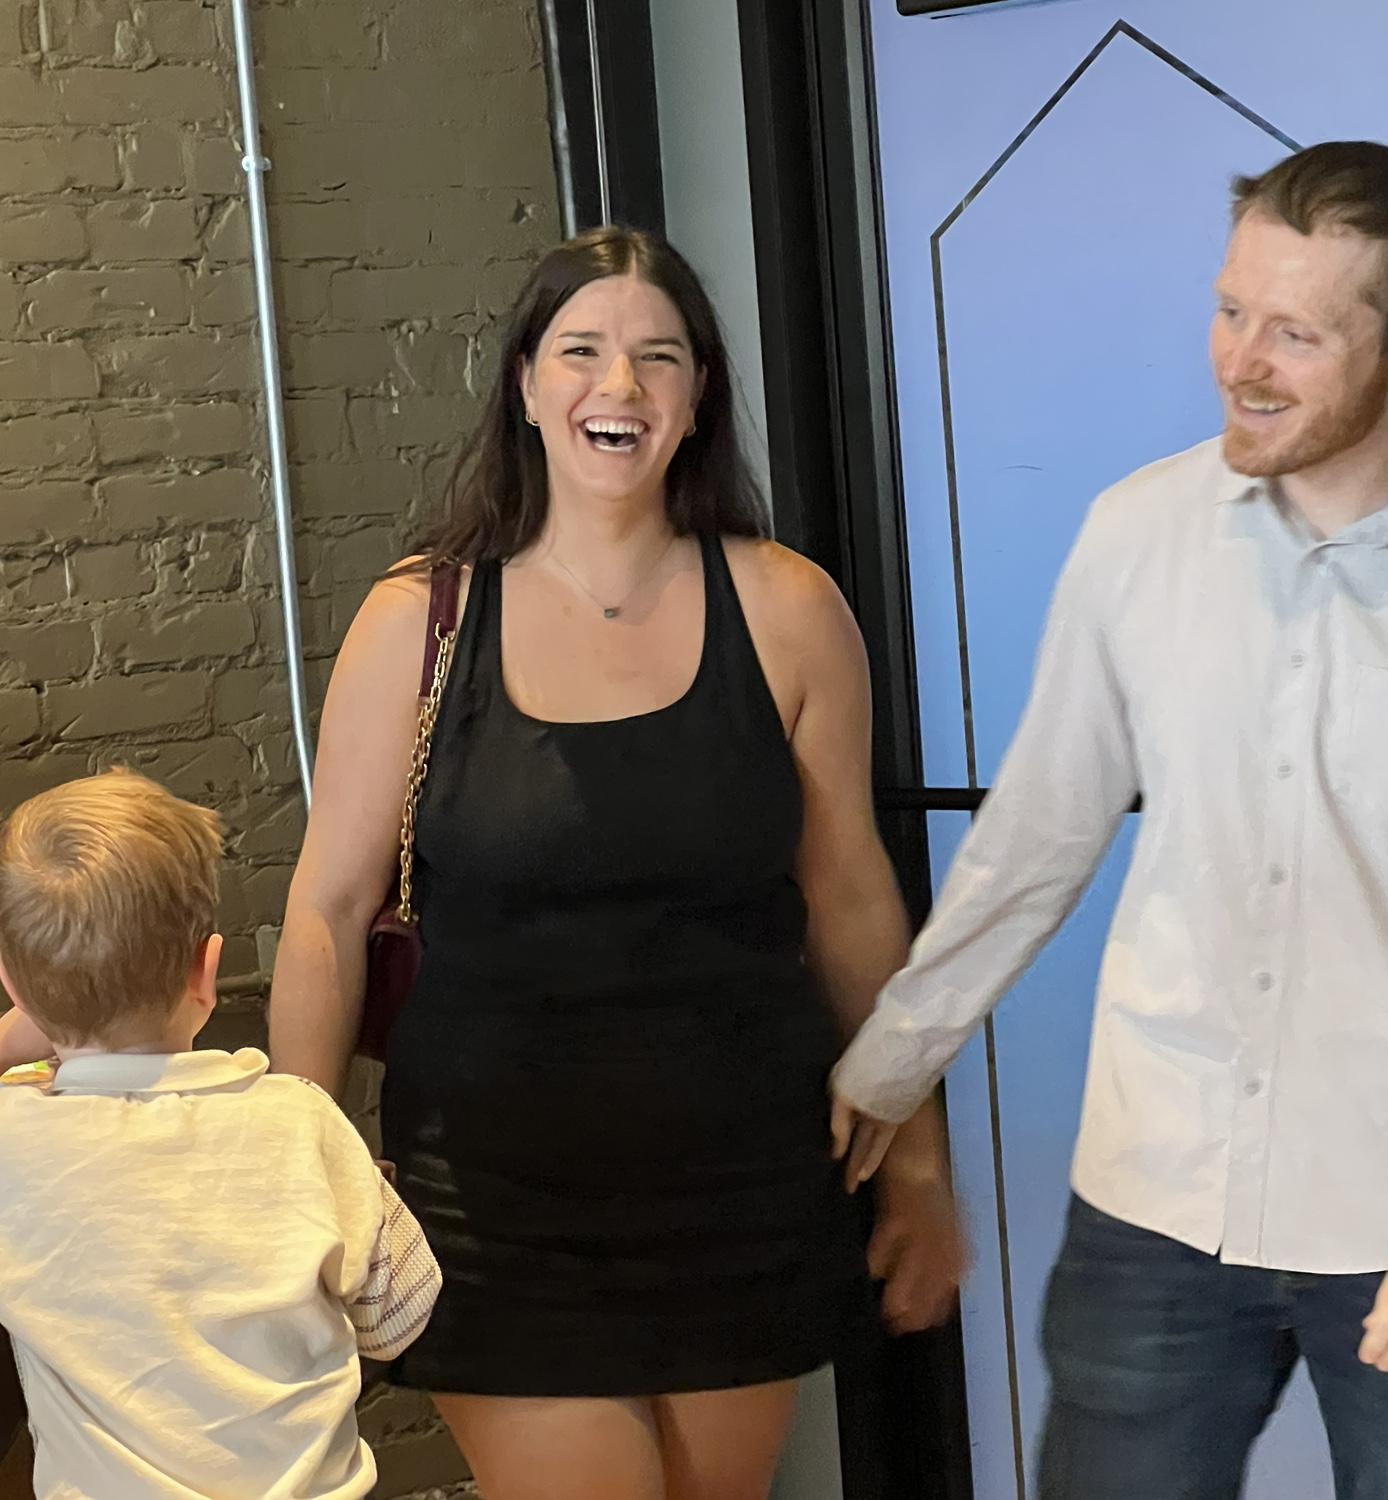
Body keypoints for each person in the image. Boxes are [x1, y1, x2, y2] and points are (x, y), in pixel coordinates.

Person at [831, 141, 1388, 1498]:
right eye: (1231, 309)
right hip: (1158, 1197)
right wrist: (890, 1062)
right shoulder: (1138, 533)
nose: (1242, 362)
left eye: (1298, 333)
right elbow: (1037, 837)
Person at [268, 225, 964, 1500]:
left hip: (744, 1194)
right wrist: (298, 1174)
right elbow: (328, 909)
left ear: (697, 398)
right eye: (582, 351)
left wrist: (919, 1161)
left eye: (659, 357)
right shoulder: (418, 620)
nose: (620, 386)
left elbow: (852, 898)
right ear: (527, 386)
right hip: (494, 1210)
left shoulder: (790, 609)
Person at [0, 768, 441, 1499]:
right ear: (207, 970)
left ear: (14, 990)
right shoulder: (302, 1122)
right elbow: (398, 1319)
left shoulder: (13, 1142)